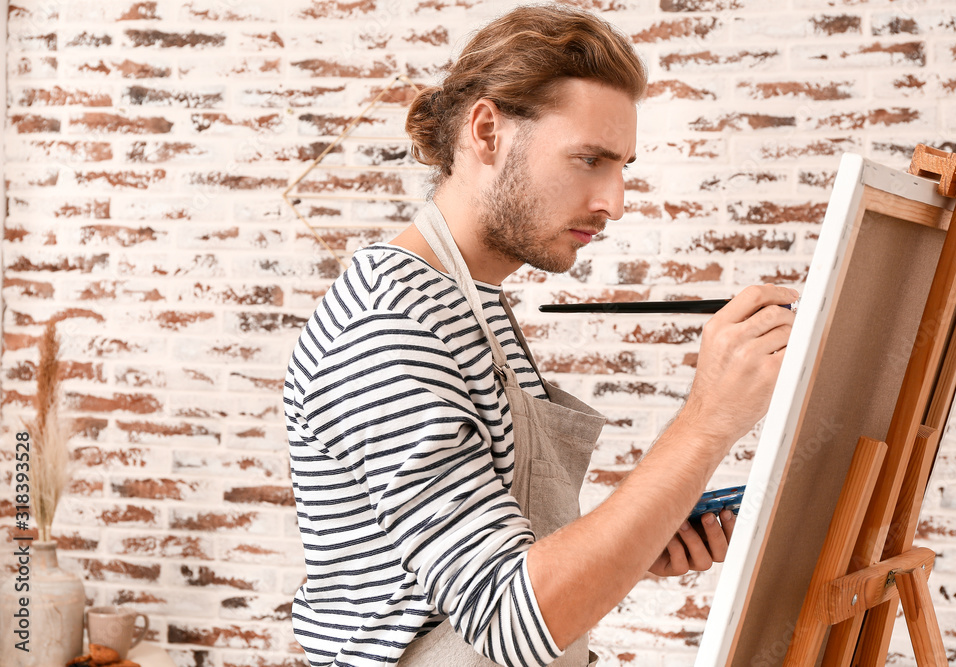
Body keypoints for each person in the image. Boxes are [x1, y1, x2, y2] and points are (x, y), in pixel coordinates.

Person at [284, 4, 797, 666]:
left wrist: (638, 545)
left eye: (623, 167)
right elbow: (508, 617)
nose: (613, 200)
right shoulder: (387, 328)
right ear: (488, 131)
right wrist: (705, 424)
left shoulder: (468, 302)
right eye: (590, 159)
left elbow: (470, 576)